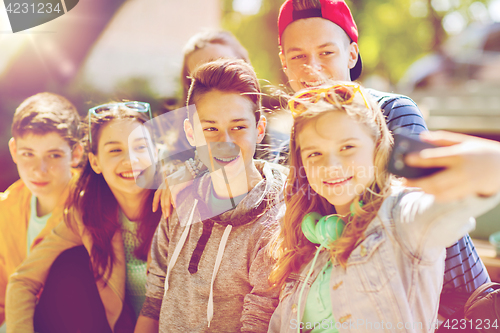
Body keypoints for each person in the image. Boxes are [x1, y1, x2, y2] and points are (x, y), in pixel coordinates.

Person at [266, 82, 500, 332]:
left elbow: (453, 207)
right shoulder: (307, 239)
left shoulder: (401, 218)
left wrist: (491, 166)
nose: (331, 165)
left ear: (377, 147)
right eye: (315, 154)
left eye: (347, 147)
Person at [135, 59, 285, 333]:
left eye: (238, 127)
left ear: (259, 129)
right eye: (210, 128)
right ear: (191, 133)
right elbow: (155, 299)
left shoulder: (275, 220)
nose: (224, 142)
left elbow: (259, 320)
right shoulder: (179, 198)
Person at [6, 102, 162, 333]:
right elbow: (23, 281)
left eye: (140, 147)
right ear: (95, 162)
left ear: (156, 153)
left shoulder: (178, 203)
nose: (130, 160)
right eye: (115, 150)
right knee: (70, 264)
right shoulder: (86, 215)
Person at [0, 92, 83, 328]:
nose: (39, 170)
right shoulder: (5, 209)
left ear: (75, 153)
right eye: (28, 154)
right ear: (14, 150)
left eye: (54, 155)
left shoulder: (89, 206)